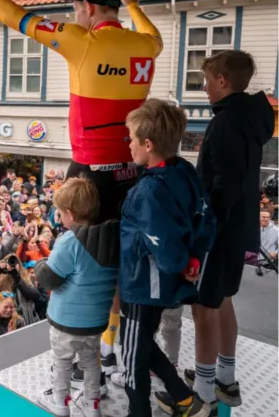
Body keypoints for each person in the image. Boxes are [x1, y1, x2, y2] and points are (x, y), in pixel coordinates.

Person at [0, 0, 163, 361]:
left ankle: (91, 339)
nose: (72, 17)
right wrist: (134, 5)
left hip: (90, 169)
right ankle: (115, 338)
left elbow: (13, 16)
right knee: (119, 255)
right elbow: (154, 37)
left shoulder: (79, 40)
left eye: (74, 9)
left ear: (87, 8)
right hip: (132, 170)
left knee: (82, 256)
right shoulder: (146, 44)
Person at [188, 51, 275, 410]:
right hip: (239, 229)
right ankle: (224, 378)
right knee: (222, 299)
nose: (204, 89)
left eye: (207, 81)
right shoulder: (251, 119)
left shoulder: (225, 122)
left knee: (203, 307)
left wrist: (203, 226)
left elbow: (224, 184)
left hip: (218, 232)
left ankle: (204, 391)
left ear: (223, 80)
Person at [117, 99, 215, 417]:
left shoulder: (146, 192)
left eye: (130, 138)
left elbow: (165, 244)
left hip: (143, 286)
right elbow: (206, 218)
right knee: (142, 343)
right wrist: (194, 260)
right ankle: (183, 398)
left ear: (147, 144)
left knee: (132, 358)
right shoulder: (184, 170)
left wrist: (179, 263)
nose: (127, 144)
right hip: (160, 287)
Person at [34, 177, 118, 416]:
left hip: (67, 320)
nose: (58, 218)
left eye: (59, 213)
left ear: (69, 213)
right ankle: (92, 405)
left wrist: (40, 264)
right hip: (96, 322)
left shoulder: (69, 241)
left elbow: (50, 278)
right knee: (91, 360)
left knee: (62, 361)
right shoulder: (111, 238)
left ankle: (60, 402)